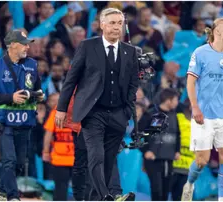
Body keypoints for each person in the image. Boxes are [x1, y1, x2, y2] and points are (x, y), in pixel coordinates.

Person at [54, 8, 138, 201]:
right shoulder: (87, 46)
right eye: (112, 23)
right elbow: (71, 79)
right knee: (96, 155)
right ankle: (105, 195)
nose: (116, 27)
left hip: (118, 113)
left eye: (119, 23)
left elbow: (133, 84)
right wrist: (61, 108)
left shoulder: (130, 52)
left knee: (109, 160)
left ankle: (95, 198)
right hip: (92, 113)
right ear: (102, 25)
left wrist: (126, 110)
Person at [181, 18, 223, 201]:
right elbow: (190, 81)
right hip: (204, 113)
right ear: (217, 31)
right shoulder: (200, 53)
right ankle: (190, 183)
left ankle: (222, 199)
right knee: (202, 160)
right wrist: (195, 107)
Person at [0, 30, 44, 201]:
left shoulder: (32, 65)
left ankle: (0, 190)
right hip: (5, 122)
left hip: (25, 121)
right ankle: (13, 196)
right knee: (9, 161)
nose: (27, 46)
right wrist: (11, 97)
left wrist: (38, 96)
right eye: (24, 43)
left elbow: (38, 90)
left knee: (18, 164)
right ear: (11, 45)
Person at [138, 88, 181, 201]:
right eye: (176, 100)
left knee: (166, 191)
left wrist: (177, 150)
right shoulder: (151, 114)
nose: (177, 103)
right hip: (153, 161)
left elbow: (177, 134)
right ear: (168, 100)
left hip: (168, 159)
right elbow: (137, 134)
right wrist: (146, 150)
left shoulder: (173, 115)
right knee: (157, 190)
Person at [42, 101, 74, 201]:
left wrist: (46, 151)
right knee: (82, 189)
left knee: (60, 189)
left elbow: (49, 133)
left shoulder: (57, 110)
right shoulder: (84, 107)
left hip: (60, 158)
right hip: (78, 158)